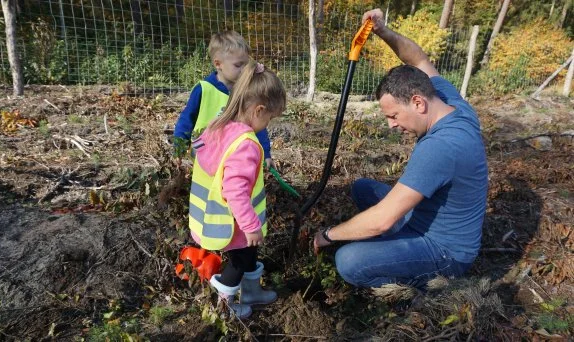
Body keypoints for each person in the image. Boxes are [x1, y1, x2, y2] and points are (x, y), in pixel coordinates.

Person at [313, 8, 488, 289]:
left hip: (447, 252)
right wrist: (382, 31)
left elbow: (382, 220)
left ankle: (420, 286)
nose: (392, 125)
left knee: (349, 260)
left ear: (418, 102)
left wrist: (329, 234)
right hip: (427, 219)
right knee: (363, 188)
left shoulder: (440, 147)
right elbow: (417, 58)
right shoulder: (450, 103)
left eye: (393, 116)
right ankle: (395, 247)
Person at [188, 60, 286, 318]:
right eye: (270, 118)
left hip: (217, 217)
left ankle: (252, 293)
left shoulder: (218, 128)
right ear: (258, 110)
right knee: (239, 263)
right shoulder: (246, 144)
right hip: (237, 224)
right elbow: (234, 191)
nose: (268, 125)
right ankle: (223, 308)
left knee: (250, 254)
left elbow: (203, 156)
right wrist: (252, 225)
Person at [173, 30, 275, 168]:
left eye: (246, 64)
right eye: (238, 65)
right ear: (218, 64)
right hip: (204, 155)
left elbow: (257, 124)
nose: (244, 69)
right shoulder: (204, 89)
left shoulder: (247, 92)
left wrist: (266, 153)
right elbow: (186, 119)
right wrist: (179, 147)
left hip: (234, 156)